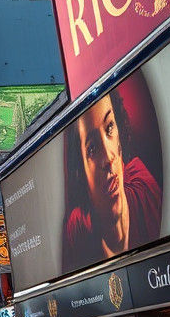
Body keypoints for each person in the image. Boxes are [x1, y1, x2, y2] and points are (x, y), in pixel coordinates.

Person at [62, 90, 161, 274]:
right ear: (80, 172)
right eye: (92, 148)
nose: (108, 157)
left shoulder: (144, 189)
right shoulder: (78, 230)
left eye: (109, 128)